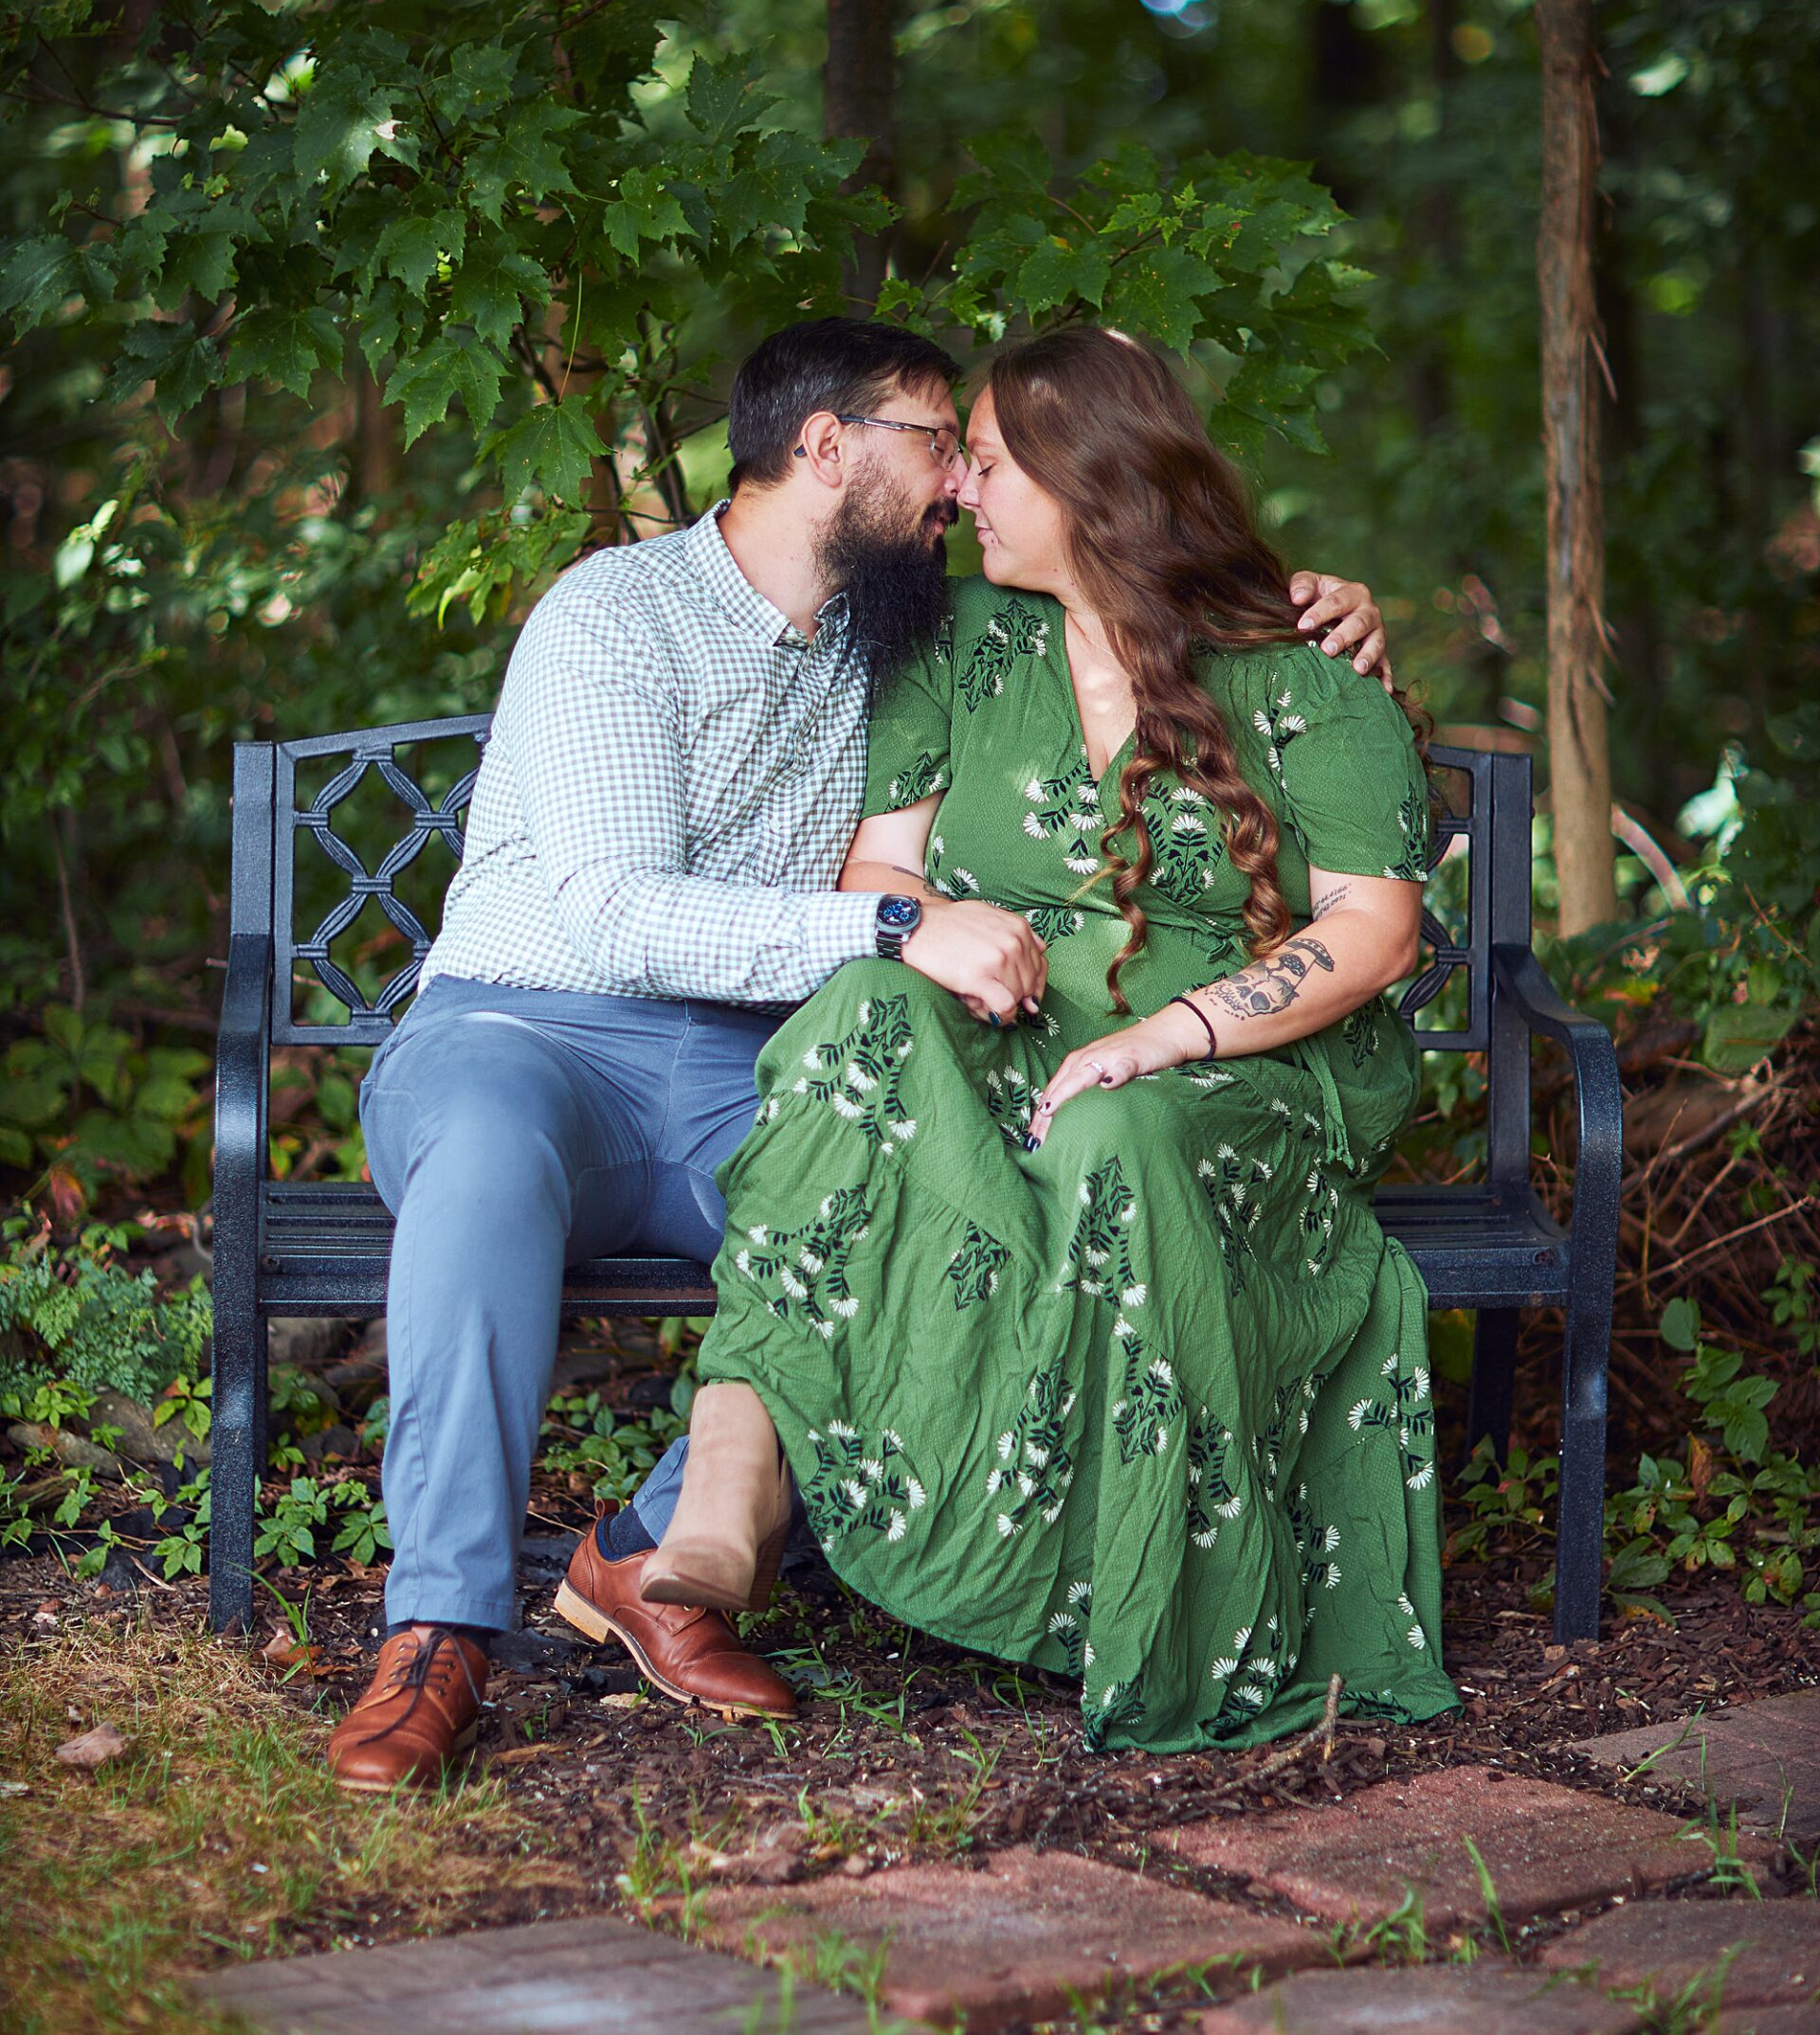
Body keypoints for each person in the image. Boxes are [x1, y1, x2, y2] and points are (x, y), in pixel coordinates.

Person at [325, 316, 1393, 1791]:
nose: (960, 478)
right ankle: (437, 1632)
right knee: (492, 1171)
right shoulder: (613, 616)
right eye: (937, 440)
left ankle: (648, 1549)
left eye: (975, 451)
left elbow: (1133, 585)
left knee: (944, 1206)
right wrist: (897, 930)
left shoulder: (907, 633)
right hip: (522, 1030)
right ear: (826, 447)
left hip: (733, 1069)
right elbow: (616, 915)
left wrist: (1311, 602)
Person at [640, 325, 1460, 1754]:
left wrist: (1169, 1037)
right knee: (865, 1007)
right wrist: (941, 926)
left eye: (994, 462)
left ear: (1095, 483)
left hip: (1242, 1074)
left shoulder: (1300, 672)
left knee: (1112, 1124)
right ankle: (731, 1468)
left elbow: (1373, 934)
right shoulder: (960, 645)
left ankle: (1139, 1599)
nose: (959, 490)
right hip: (1008, 1036)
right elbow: (876, 875)